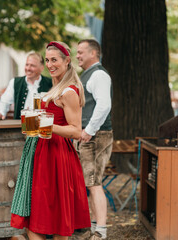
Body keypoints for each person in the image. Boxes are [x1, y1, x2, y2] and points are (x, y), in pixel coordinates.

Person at [10, 41, 91, 240]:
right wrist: (35, 124)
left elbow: (76, 130)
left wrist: (44, 124)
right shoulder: (57, 87)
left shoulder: (69, 91)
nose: (50, 64)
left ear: (67, 61)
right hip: (42, 154)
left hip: (57, 157)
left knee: (55, 220)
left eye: (54, 60)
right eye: (47, 60)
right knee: (37, 217)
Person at [74, 39, 113, 240]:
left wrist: (88, 130)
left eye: (81, 52)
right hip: (92, 135)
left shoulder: (98, 75)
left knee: (94, 182)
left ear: (93, 53)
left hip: (97, 136)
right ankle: (93, 227)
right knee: (90, 183)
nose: (77, 55)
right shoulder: (89, 74)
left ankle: (100, 231)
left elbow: (104, 105)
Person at [0, 52, 52, 120]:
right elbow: (4, 102)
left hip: (43, 127)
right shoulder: (15, 82)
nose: (28, 68)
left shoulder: (50, 83)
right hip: (19, 127)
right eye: (27, 64)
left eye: (32, 65)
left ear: (41, 68)